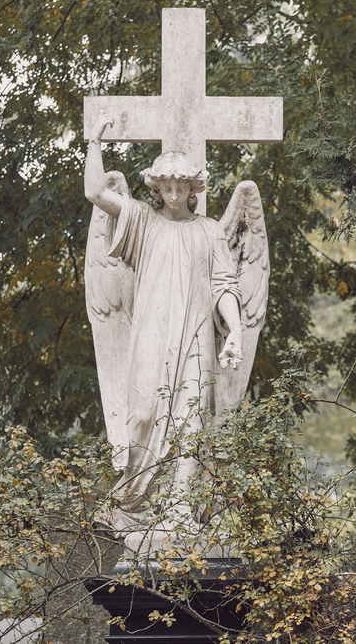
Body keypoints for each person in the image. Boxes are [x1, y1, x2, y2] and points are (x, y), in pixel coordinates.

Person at [83, 114, 242, 547]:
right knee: (142, 415)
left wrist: (235, 331)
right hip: (151, 336)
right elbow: (95, 192)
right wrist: (94, 143)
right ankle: (135, 503)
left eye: (181, 186)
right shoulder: (141, 220)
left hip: (195, 337)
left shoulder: (210, 232)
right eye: (166, 187)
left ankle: (180, 509)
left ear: (193, 189)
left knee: (191, 419)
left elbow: (224, 286)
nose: (173, 194)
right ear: (155, 188)